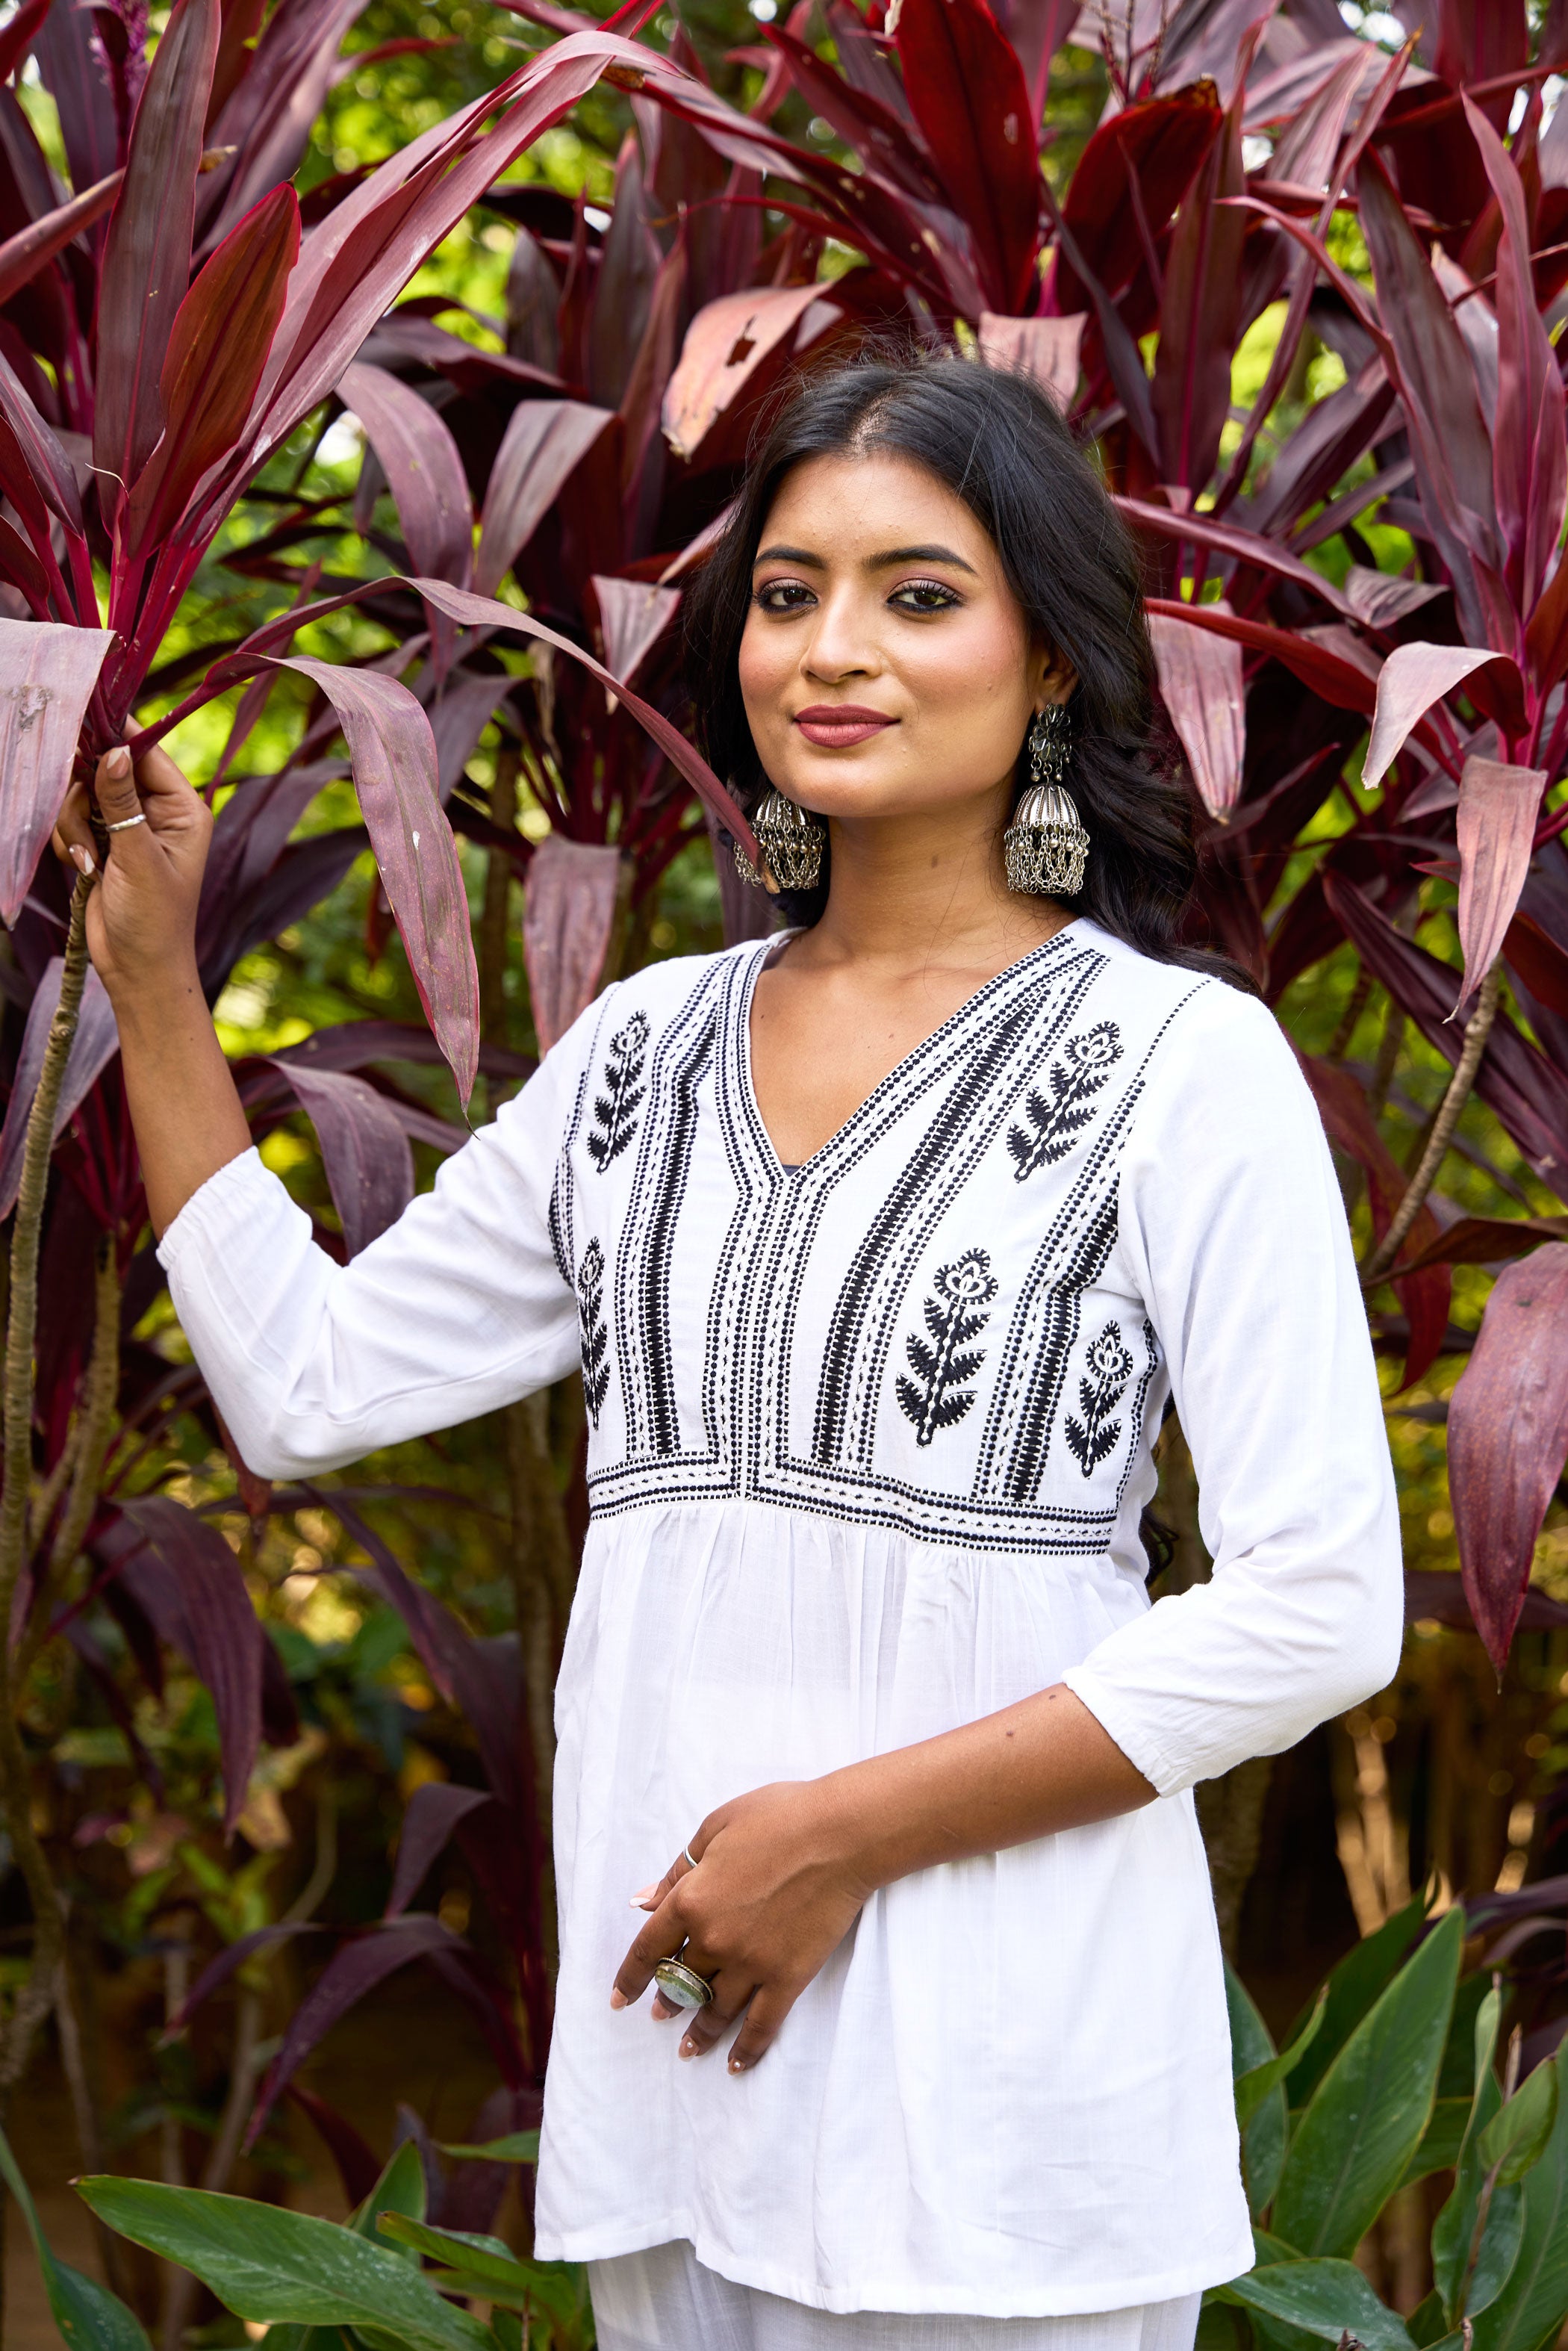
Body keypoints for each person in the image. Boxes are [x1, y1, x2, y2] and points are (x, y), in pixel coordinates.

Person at [55, 353, 1402, 2351]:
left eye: (917, 593)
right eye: (786, 593)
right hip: (678, 2100)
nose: (831, 648)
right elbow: (307, 1384)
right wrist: (156, 983)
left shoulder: (1172, 1065)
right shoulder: (641, 1053)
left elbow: (1321, 1605)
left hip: (1006, 2136)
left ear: (1049, 664)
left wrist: (827, 1835)